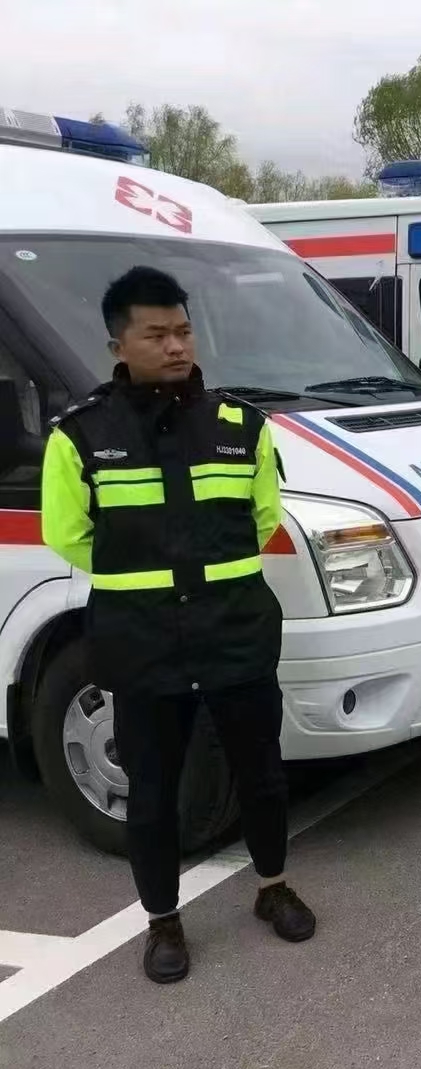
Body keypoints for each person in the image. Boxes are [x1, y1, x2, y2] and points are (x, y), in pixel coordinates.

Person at [40, 267, 314, 985]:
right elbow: (65, 533)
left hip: (235, 635)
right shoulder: (80, 438)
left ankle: (272, 888)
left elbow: (263, 520)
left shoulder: (241, 426)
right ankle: (163, 924)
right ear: (118, 343)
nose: (175, 345)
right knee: (153, 794)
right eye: (156, 333)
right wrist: (153, 572)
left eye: (183, 331)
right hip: (142, 644)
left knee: (261, 777)